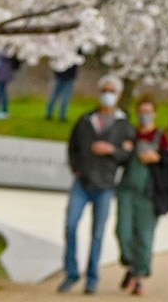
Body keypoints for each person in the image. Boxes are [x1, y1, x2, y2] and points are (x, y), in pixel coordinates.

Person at [62, 75, 135, 294]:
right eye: (105, 90)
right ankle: (71, 272)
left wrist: (112, 150)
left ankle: (92, 277)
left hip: (105, 184)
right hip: (82, 182)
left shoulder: (124, 125)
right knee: (71, 225)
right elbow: (72, 146)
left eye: (112, 91)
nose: (108, 95)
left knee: (97, 233)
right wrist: (76, 167)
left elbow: (127, 155)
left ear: (119, 95)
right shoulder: (86, 120)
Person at [117, 98, 168, 295]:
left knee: (144, 237)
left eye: (148, 111)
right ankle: (130, 263)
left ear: (155, 112)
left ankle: (139, 275)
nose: (145, 114)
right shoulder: (131, 133)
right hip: (127, 189)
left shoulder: (161, 137)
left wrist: (157, 158)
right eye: (142, 111)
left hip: (149, 193)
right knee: (123, 231)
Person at [0, 51, 17, 118]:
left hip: (3, 75)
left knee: (1, 92)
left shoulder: (8, 51)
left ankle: (4, 111)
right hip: (1, 74)